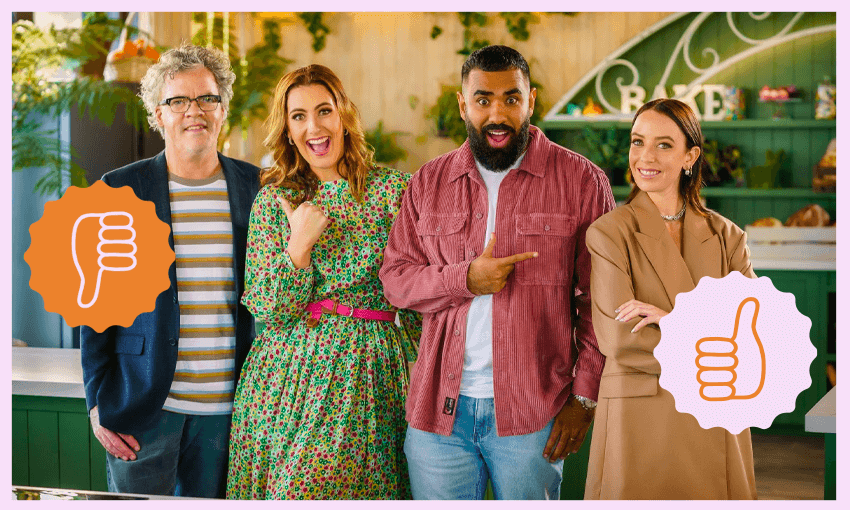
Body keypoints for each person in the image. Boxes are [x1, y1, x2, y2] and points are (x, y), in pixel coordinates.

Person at [379, 45, 614, 500]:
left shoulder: (583, 182)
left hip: (533, 414)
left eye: (511, 98)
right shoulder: (428, 182)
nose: (498, 113)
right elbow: (396, 280)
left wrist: (584, 399)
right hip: (438, 418)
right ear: (463, 105)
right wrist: (465, 279)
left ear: (531, 101)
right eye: (483, 99)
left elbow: (599, 304)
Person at [226, 64, 420, 500]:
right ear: (288, 130)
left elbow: (416, 289)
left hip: (369, 370)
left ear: (344, 116)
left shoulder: (395, 190)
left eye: (323, 110)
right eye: (298, 116)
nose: (313, 126)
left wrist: (426, 361)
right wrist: (299, 246)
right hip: (285, 378)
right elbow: (268, 308)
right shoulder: (275, 199)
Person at [80, 44, 260, 498]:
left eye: (206, 99)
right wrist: (96, 403)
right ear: (158, 115)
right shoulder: (119, 189)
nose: (193, 111)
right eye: (178, 101)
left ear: (223, 110)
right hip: (143, 411)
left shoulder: (258, 189)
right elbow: (96, 304)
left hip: (231, 412)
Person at [583, 98, 758, 499]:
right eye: (637, 141)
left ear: (690, 156)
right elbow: (621, 339)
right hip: (640, 418)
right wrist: (714, 341)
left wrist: (671, 319)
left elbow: (757, 332)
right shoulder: (609, 233)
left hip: (714, 418)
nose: (645, 156)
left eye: (663, 144)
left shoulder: (726, 236)